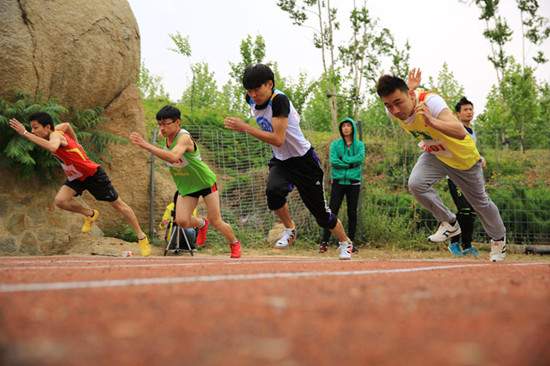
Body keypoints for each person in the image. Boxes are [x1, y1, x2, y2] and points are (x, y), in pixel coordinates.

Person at [224, 63, 354, 260]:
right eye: (249, 91)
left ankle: (345, 242)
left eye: (257, 89)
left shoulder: (279, 101)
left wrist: (245, 127)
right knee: (273, 193)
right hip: (282, 160)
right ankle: (289, 228)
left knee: (321, 215)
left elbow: (278, 138)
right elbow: (277, 144)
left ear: (269, 84)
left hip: (304, 161)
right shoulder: (250, 99)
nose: (253, 94)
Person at [376, 71, 506, 262]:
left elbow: (460, 132)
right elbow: (401, 98)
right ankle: (450, 222)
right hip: (436, 154)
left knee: (480, 203)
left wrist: (431, 121)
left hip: (462, 159)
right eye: (388, 105)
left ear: (411, 96)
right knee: (416, 184)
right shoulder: (394, 107)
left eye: (398, 103)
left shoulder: (432, 102)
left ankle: (498, 239)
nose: (395, 111)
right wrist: (408, 88)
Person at [9, 112, 151, 257]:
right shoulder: (58, 129)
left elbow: (52, 147)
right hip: (76, 176)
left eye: (35, 128)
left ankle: (142, 237)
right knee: (60, 201)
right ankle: (91, 213)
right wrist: (78, 144)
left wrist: (25, 133)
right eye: (31, 128)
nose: (33, 131)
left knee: (118, 205)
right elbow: (67, 125)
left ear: (47, 127)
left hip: (93, 175)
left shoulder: (55, 136)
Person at [130, 105, 241, 258]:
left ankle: (234, 243)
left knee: (217, 221)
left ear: (177, 123)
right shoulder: (164, 138)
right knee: (181, 221)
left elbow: (173, 157)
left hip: (204, 182)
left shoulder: (184, 138)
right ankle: (202, 223)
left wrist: (146, 145)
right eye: (159, 124)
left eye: (165, 124)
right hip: (187, 186)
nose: (161, 128)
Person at [319, 117, 365, 254]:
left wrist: (343, 160)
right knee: (332, 212)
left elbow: (360, 158)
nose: (345, 128)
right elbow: (334, 161)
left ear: (353, 128)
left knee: (352, 213)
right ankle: (324, 242)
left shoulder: (360, 145)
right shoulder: (335, 145)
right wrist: (351, 163)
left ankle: (350, 243)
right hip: (338, 182)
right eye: (343, 126)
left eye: (348, 126)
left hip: (354, 183)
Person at [446, 97, 486, 256]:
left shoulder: (472, 131)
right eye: (466, 110)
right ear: (457, 114)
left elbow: (471, 152)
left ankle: (467, 246)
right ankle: (454, 243)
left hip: (470, 178)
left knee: (471, 210)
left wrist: (480, 158)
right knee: (463, 209)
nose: (469, 112)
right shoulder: (456, 129)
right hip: (456, 177)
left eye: (471, 109)